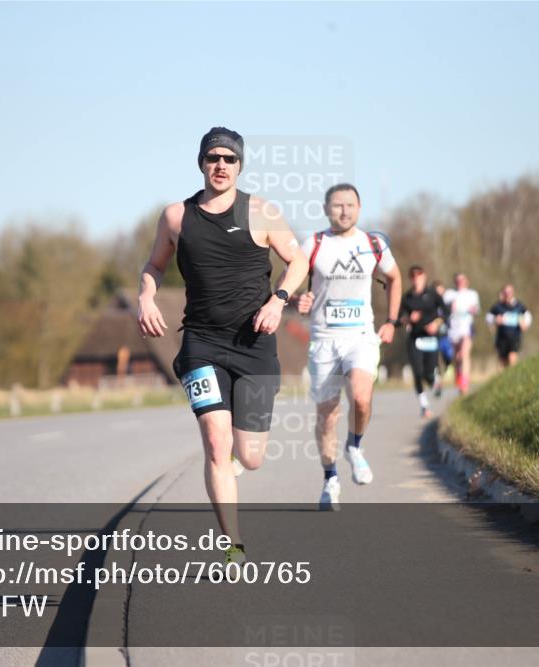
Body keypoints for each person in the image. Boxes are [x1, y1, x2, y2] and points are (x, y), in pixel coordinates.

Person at [138, 127, 308, 563]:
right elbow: (154, 266)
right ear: (201, 162)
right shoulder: (176, 216)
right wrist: (145, 297)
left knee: (250, 457)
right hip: (201, 343)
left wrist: (278, 300)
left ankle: (234, 466)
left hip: (254, 345)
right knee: (216, 443)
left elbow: (298, 261)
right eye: (213, 157)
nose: (220, 165)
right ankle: (233, 545)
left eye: (229, 159)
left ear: (239, 165)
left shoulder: (262, 212)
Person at [296, 183, 402, 510]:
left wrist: (391, 321)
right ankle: (330, 479)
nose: (344, 211)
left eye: (350, 205)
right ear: (326, 209)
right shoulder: (313, 244)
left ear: (359, 208)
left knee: (360, 396)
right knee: (327, 416)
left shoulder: (373, 244)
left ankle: (354, 446)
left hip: (360, 336)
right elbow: (286, 281)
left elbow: (395, 279)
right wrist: (297, 299)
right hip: (324, 340)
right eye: (338, 205)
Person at [399, 266, 448, 418]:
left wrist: (436, 324)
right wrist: (408, 319)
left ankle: (435, 379)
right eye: (413, 276)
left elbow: (446, 312)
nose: (416, 279)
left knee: (428, 375)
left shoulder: (433, 295)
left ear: (424, 277)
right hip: (415, 339)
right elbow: (398, 319)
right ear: (410, 279)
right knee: (417, 373)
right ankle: (424, 406)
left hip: (431, 339)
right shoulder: (407, 298)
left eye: (419, 276)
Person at [443, 273, 480, 395]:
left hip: (466, 328)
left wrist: (473, 309)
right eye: (458, 280)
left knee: (464, 354)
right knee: (457, 357)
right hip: (453, 329)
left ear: (467, 281)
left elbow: (477, 309)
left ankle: (464, 384)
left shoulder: (472, 294)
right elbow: (442, 308)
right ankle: (459, 377)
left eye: (462, 279)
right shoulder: (449, 294)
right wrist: (450, 307)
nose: (460, 282)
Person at [485, 284, 532, 368]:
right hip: (501, 336)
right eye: (505, 292)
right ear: (503, 293)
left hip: (515, 336)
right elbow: (488, 317)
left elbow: (528, 316)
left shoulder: (519, 306)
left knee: (512, 356)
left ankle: (513, 373)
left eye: (509, 292)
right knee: (502, 361)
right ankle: (505, 375)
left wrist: (525, 325)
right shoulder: (498, 306)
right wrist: (495, 320)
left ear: (513, 293)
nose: (507, 294)